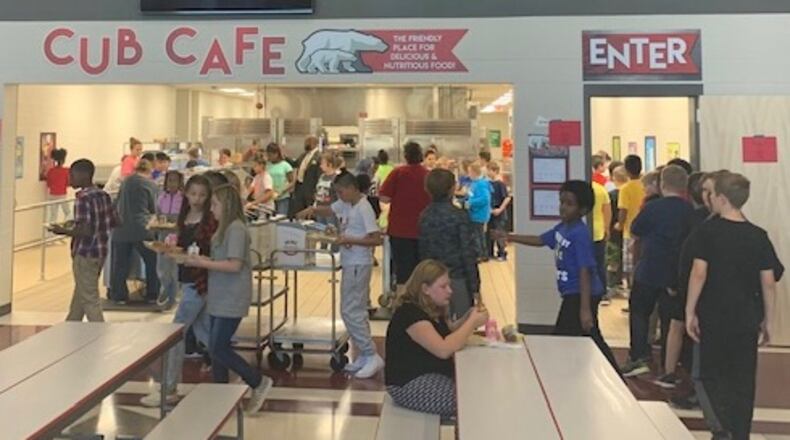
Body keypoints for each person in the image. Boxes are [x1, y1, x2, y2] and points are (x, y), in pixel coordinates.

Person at [686, 172, 779, 440]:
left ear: (722, 199)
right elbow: (768, 281)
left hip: (714, 315)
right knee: (743, 377)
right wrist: (768, 320)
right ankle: (740, 432)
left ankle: (722, 426)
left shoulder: (707, 232)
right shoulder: (758, 235)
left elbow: (699, 273)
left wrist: (690, 310)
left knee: (713, 373)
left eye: (713, 194)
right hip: (746, 316)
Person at [506, 180, 619, 372]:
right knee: (589, 335)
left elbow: (585, 270)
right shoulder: (563, 228)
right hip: (572, 293)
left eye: (569, 204)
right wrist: (510, 237)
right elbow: (540, 240)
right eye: (562, 202)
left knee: (567, 335)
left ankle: (607, 373)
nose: (563, 207)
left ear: (583, 210)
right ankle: (606, 372)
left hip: (581, 294)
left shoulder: (580, 233)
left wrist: (585, 309)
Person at [184, 184, 272, 414]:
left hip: (231, 296)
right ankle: (220, 394)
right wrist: (201, 260)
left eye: (215, 204)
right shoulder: (223, 229)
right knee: (215, 350)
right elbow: (221, 259)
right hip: (219, 294)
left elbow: (234, 265)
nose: (211, 208)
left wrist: (203, 263)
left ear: (227, 205)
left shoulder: (236, 229)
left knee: (218, 347)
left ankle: (257, 381)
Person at [297, 173, 384, 378]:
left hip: (358, 264)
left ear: (353, 188)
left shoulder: (363, 208)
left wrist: (350, 240)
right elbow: (331, 209)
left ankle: (371, 353)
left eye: (341, 192)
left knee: (350, 310)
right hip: (350, 262)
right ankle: (364, 353)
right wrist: (313, 210)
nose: (339, 196)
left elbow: (376, 239)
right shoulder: (347, 204)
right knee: (356, 310)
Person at [141, 175, 217, 407]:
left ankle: (169, 387)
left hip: (199, 282)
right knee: (206, 335)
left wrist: (186, 256)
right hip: (188, 279)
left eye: (202, 195)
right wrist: (172, 249)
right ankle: (246, 376)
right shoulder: (185, 217)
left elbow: (209, 251)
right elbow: (184, 246)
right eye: (193, 194)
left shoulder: (210, 220)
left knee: (175, 335)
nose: (197, 199)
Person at [385, 260, 489, 418]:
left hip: (430, 373)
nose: (450, 291)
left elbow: (446, 333)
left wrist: (467, 318)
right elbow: (443, 349)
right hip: (410, 382)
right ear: (425, 289)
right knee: (470, 400)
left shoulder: (431, 308)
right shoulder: (410, 314)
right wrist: (472, 323)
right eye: (443, 287)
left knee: (477, 388)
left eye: (449, 285)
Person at [620, 166, 693, 378]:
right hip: (676, 274)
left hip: (649, 270)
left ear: (662, 184)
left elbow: (636, 229)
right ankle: (669, 363)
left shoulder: (653, 207)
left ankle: (639, 356)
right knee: (670, 319)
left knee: (640, 312)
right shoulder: (689, 211)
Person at [656, 172, 710, 391]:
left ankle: (670, 371)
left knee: (677, 326)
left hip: (686, 280)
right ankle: (693, 373)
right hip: (704, 283)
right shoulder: (709, 220)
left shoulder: (690, 218)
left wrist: (673, 281)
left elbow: (678, 252)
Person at [51, 159, 115, 322]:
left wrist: (62, 231)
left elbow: (85, 231)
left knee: (89, 298)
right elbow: (114, 221)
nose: (69, 179)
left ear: (84, 175)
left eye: (72, 175)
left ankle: (99, 330)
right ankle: (71, 325)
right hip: (100, 252)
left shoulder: (82, 198)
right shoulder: (103, 195)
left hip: (85, 253)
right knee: (81, 294)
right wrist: (77, 223)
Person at [419, 169, 481, 319]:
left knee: (437, 322)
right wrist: (475, 286)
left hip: (433, 279)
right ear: (452, 189)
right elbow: (468, 252)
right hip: (458, 277)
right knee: (463, 323)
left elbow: (422, 251)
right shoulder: (459, 216)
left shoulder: (424, 216)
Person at [379, 142, 431, 291]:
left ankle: (403, 299)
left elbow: (384, 198)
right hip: (423, 230)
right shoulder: (428, 175)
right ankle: (421, 299)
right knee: (422, 270)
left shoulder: (398, 173)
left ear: (405, 156)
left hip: (399, 230)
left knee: (402, 270)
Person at [110, 159, 160, 303]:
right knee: (152, 262)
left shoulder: (125, 182)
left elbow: (116, 203)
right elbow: (153, 208)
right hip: (142, 228)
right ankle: (152, 294)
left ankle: (118, 295)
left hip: (121, 228)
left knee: (120, 265)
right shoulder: (150, 184)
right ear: (149, 171)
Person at [615, 155, 645, 290]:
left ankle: (631, 293)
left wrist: (620, 225)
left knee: (629, 267)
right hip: (644, 231)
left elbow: (623, 210)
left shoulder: (625, 188)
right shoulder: (644, 185)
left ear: (626, 170)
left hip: (630, 232)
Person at [155, 170, 184, 306]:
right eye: (169, 181)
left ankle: (175, 295)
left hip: (177, 235)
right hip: (163, 235)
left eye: (175, 181)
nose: (172, 184)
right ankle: (165, 290)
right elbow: (157, 215)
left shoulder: (183, 199)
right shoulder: (161, 197)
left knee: (176, 266)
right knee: (163, 265)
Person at [606, 166, 629, 294]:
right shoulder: (630, 191)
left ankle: (613, 283)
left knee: (613, 256)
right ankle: (622, 281)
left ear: (614, 178)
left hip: (614, 229)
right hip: (627, 228)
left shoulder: (611, 195)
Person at [289, 136, 323, 217]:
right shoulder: (303, 155)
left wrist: (316, 190)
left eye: (308, 142)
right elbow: (295, 163)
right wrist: (286, 157)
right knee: (298, 211)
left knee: (310, 213)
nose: (305, 144)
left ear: (314, 143)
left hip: (310, 189)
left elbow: (319, 175)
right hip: (300, 187)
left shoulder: (319, 156)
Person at [466, 163, 492, 261]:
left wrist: (470, 203)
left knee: (478, 236)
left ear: (474, 172)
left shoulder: (481, 184)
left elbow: (485, 199)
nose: (468, 174)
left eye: (469, 172)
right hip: (474, 214)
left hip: (479, 215)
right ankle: (481, 254)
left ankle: (481, 255)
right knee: (477, 235)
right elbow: (471, 195)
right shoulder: (474, 184)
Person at [487, 162, 511, 261]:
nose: (488, 173)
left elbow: (507, 198)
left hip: (499, 212)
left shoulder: (500, 184)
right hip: (490, 211)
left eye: (490, 170)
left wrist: (500, 209)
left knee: (499, 233)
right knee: (490, 233)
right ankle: (489, 253)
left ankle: (502, 253)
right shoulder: (487, 183)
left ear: (495, 171)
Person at [591, 180, 612, 293]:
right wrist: (607, 228)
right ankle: (602, 290)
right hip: (598, 231)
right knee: (599, 263)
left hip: (580, 232)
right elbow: (607, 211)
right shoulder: (601, 189)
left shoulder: (579, 189)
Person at [265, 143, 295, 216]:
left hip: (282, 197)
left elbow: (292, 182)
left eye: (270, 155)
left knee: (280, 217)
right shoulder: (267, 165)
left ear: (276, 154)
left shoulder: (285, 166)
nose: (269, 157)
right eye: (268, 155)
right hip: (269, 198)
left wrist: (282, 191)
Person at [46, 148, 71, 225]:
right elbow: (68, 183)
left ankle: (51, 230)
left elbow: (48, 184)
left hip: (52, 195)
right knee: (68, 213)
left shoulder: (51, 171)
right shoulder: (66, 171)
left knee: (53, 215)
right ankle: (66, 226)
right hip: (62, 195)